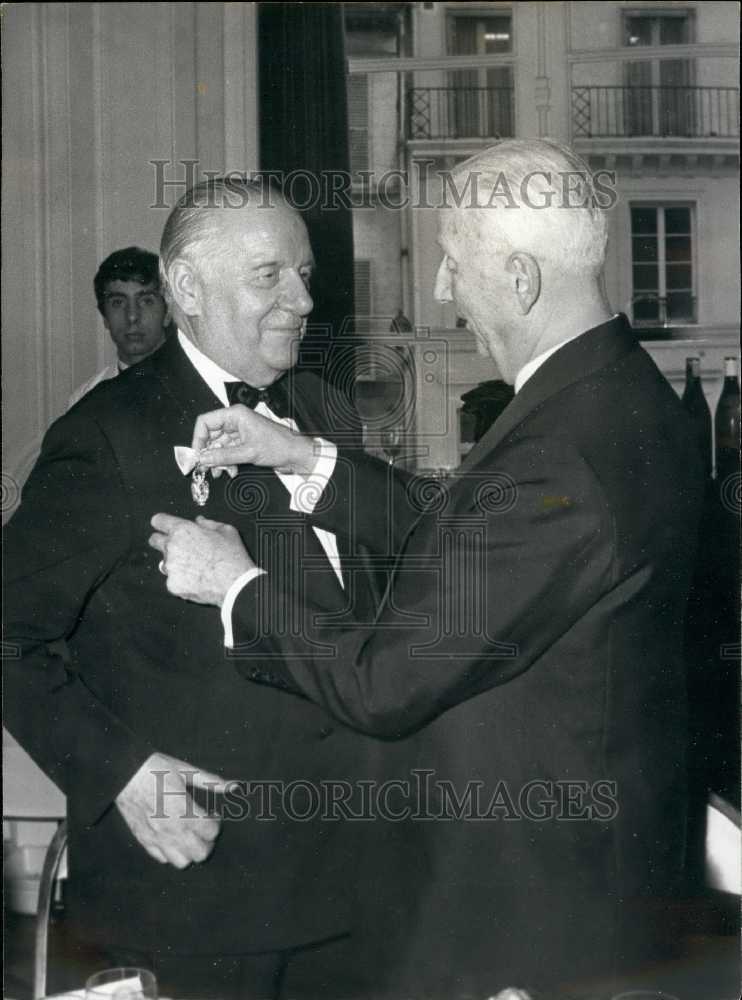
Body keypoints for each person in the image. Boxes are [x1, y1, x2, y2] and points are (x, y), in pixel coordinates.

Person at [150, 140, 707, 997]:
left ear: (520, 280)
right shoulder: (619, 399)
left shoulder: (562, 448)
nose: (444, 289)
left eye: (453, 263)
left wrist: (235, 585)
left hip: (525, 917)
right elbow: (481, 550)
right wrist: (304, 460)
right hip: (588, 881)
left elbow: (386, 682)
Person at [3, 179, 384, 1000]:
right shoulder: (108, 434)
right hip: (193, 898)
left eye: (307, 274)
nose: (304, 300)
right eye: (270, 276)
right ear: (185, 288)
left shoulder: (324, 418)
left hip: (349, 890)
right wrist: (121, 770)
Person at [67, 246, 172, 409]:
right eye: (118, 302)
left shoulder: (200, 387)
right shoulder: (84, 400)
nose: (132, 316)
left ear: (168, 312)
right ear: (105, 318)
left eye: (146, 301)